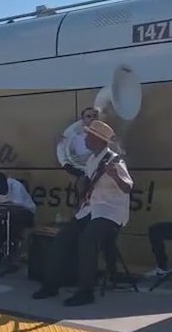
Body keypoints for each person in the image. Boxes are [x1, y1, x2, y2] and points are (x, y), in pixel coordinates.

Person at [33, 119, 133, 307]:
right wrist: (81, 188)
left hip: (110, 213)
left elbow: (127, 187)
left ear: (98, 139)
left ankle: (86, 291)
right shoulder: (92, 160)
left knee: (86, 239)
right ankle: (51, 285)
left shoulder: (115, 160)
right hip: (91, 210)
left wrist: (115, 176)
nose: (85, 138)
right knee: (62, 238)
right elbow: (87, 188)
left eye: (88, 135)